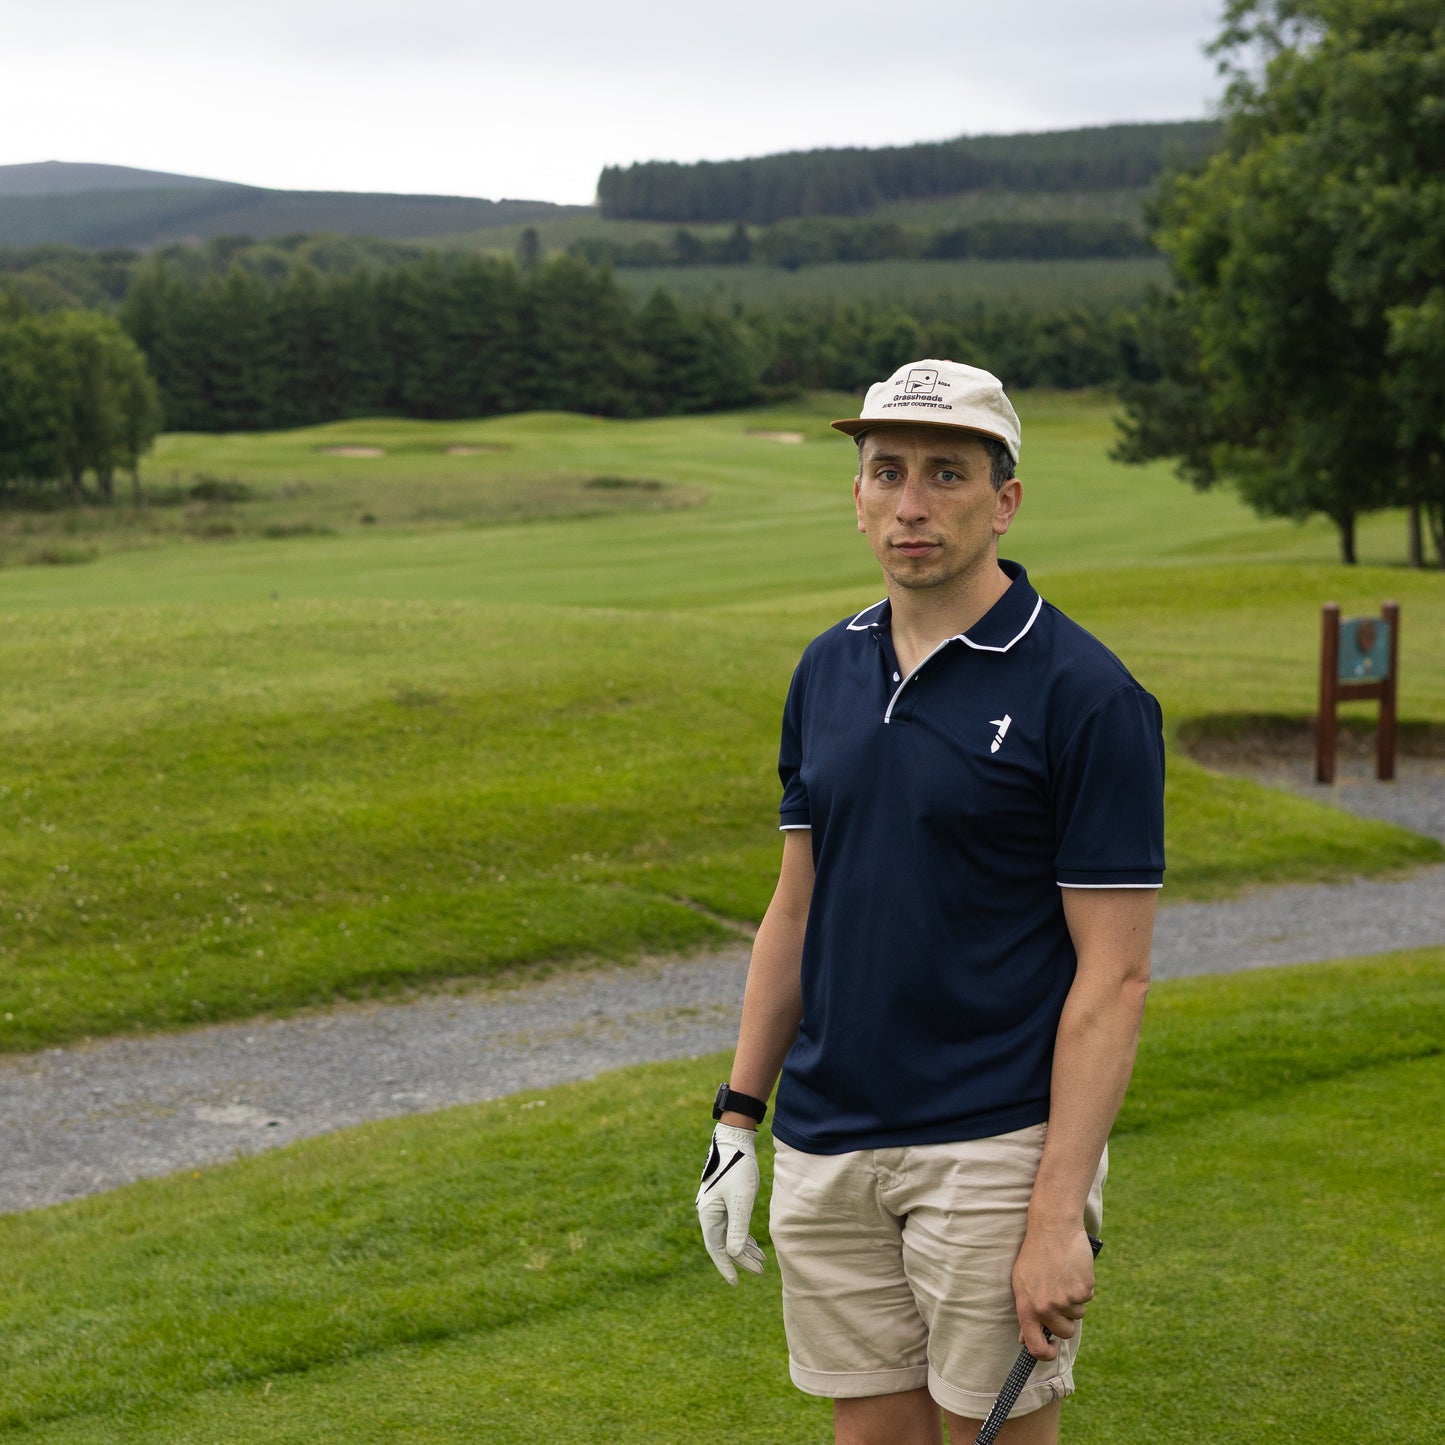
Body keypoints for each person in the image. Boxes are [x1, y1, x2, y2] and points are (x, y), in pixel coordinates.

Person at [696, 358, 1165, 1445]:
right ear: (856, 494)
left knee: (988, 1436)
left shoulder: (1083, 694)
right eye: (885, 471)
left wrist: (1056, 1214)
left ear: (1002, 499)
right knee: (869, 1436)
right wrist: (736, 1115)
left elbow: (1115, 973)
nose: (911, 504)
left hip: (990, 1142)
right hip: (826, 1139)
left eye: (945, 473)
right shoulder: (826, 668)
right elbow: (795, 910)